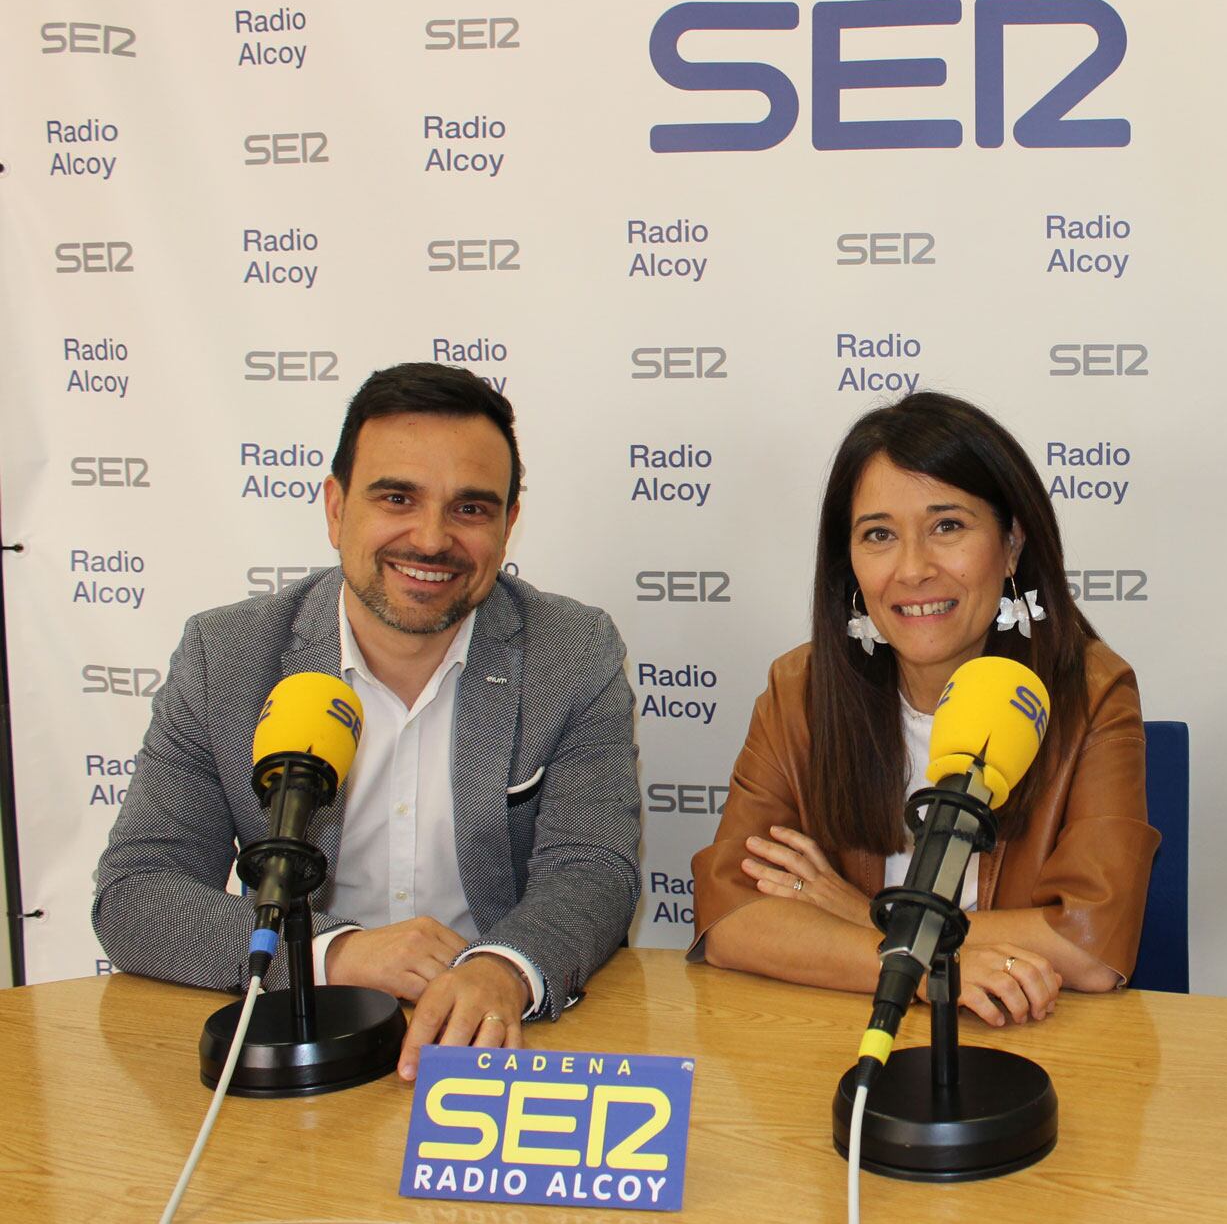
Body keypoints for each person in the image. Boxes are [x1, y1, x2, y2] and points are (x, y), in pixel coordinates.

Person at [93, 363, 642, 1079]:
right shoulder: (223, 657)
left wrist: (501, 969)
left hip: (490, 1049)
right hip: (303, 1040)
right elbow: (136, 891)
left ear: (509, 525)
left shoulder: (572, 650)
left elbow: (593, 868)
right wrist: (337, 953)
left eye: (471, 509)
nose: (431, 538)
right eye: (396, 497)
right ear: (334, 507)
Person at [689, 393, 1159, 1026]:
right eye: (879, 535)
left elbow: (1089, 949)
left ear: (1012, 544)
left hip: (1026, 1051)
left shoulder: (1091, 695)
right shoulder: (799, 692)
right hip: (839, 1041)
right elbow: (731, 919)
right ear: (849, 563)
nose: (912, 569)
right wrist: (922, 968)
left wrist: (865, 914)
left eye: (948, 526)